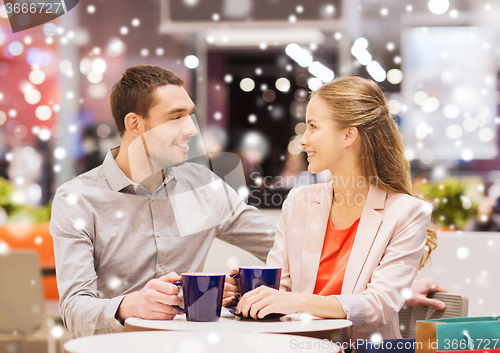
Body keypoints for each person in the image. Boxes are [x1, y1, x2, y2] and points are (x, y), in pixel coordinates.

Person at [50, 65, 275, 337]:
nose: (191, 129)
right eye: (175, 117)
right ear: (135, 124)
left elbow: (282, 247)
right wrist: (129, 305)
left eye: (190, 115)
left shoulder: (204, 187)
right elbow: (74, 311)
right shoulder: (78, 200)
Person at [233, 76, 437, 340]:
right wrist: (247, 292)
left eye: (313, 127)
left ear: (348, 134)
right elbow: (280, 285)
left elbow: (378, 306)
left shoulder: (407, 212)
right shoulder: (299, 202)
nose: (303, 140)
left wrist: (298, 302)